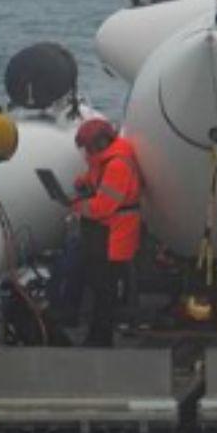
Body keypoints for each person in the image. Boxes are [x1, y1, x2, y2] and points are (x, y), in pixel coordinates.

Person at [71, 117, 142, 347]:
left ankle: (101, 339)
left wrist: (77, 206)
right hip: (104, 234)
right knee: (99, 284)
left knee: (105, 290)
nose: (87, 152)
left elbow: (102, 207)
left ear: (100, 143)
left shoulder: (117, 165)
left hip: (115, 236)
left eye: (89, 146)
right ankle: (97, 335)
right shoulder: (104, 160)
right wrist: (82, 183)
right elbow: (95, 179)